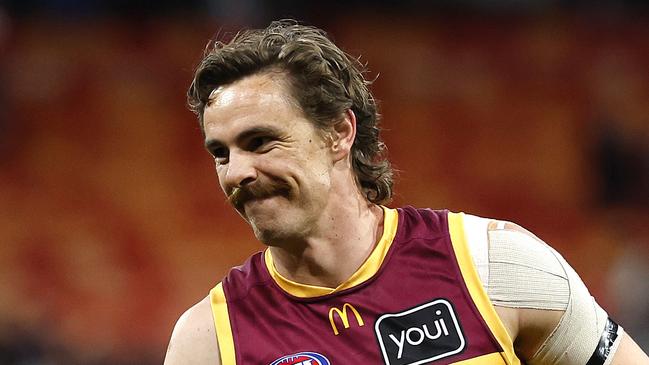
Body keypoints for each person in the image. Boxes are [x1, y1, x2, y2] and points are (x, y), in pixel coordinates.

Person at [164, 20, 649, 365]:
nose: (237, 173)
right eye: (221, 153)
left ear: (338, 132)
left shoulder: (494, 265)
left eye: (260, 142)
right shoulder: (208, 342)